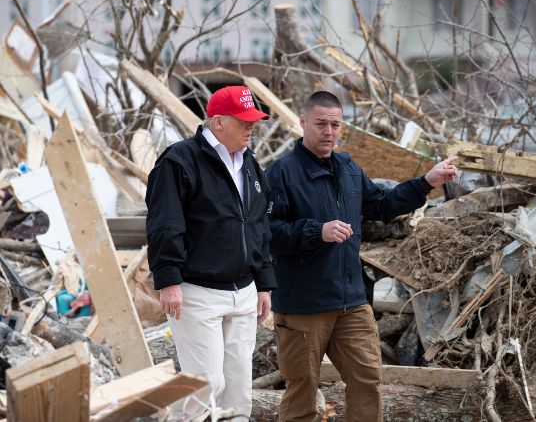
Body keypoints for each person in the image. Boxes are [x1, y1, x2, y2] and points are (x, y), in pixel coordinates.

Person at [266, 91, 458, 422]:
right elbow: (267, 232)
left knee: (367, 379)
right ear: (302, 123)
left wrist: (427, 182)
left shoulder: (348, 169)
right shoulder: (280, 173)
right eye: (321, 123)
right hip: (303, 305)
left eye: (335, 125)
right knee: (303, 388)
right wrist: (317, 231)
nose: (329, 132)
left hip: (351, 301)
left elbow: (382, 204)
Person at [145, 85, 277, 418]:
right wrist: (168, 280)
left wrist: (264, 283)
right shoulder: (179, 160)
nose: (251, 127)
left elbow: (258, 224)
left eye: (254, 121)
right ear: (218, 122)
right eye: (243, 120)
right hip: (197, 292)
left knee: (237, 388)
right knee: (205, 384)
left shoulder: (249, 163)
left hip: (244, 291)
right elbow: (165, 223)